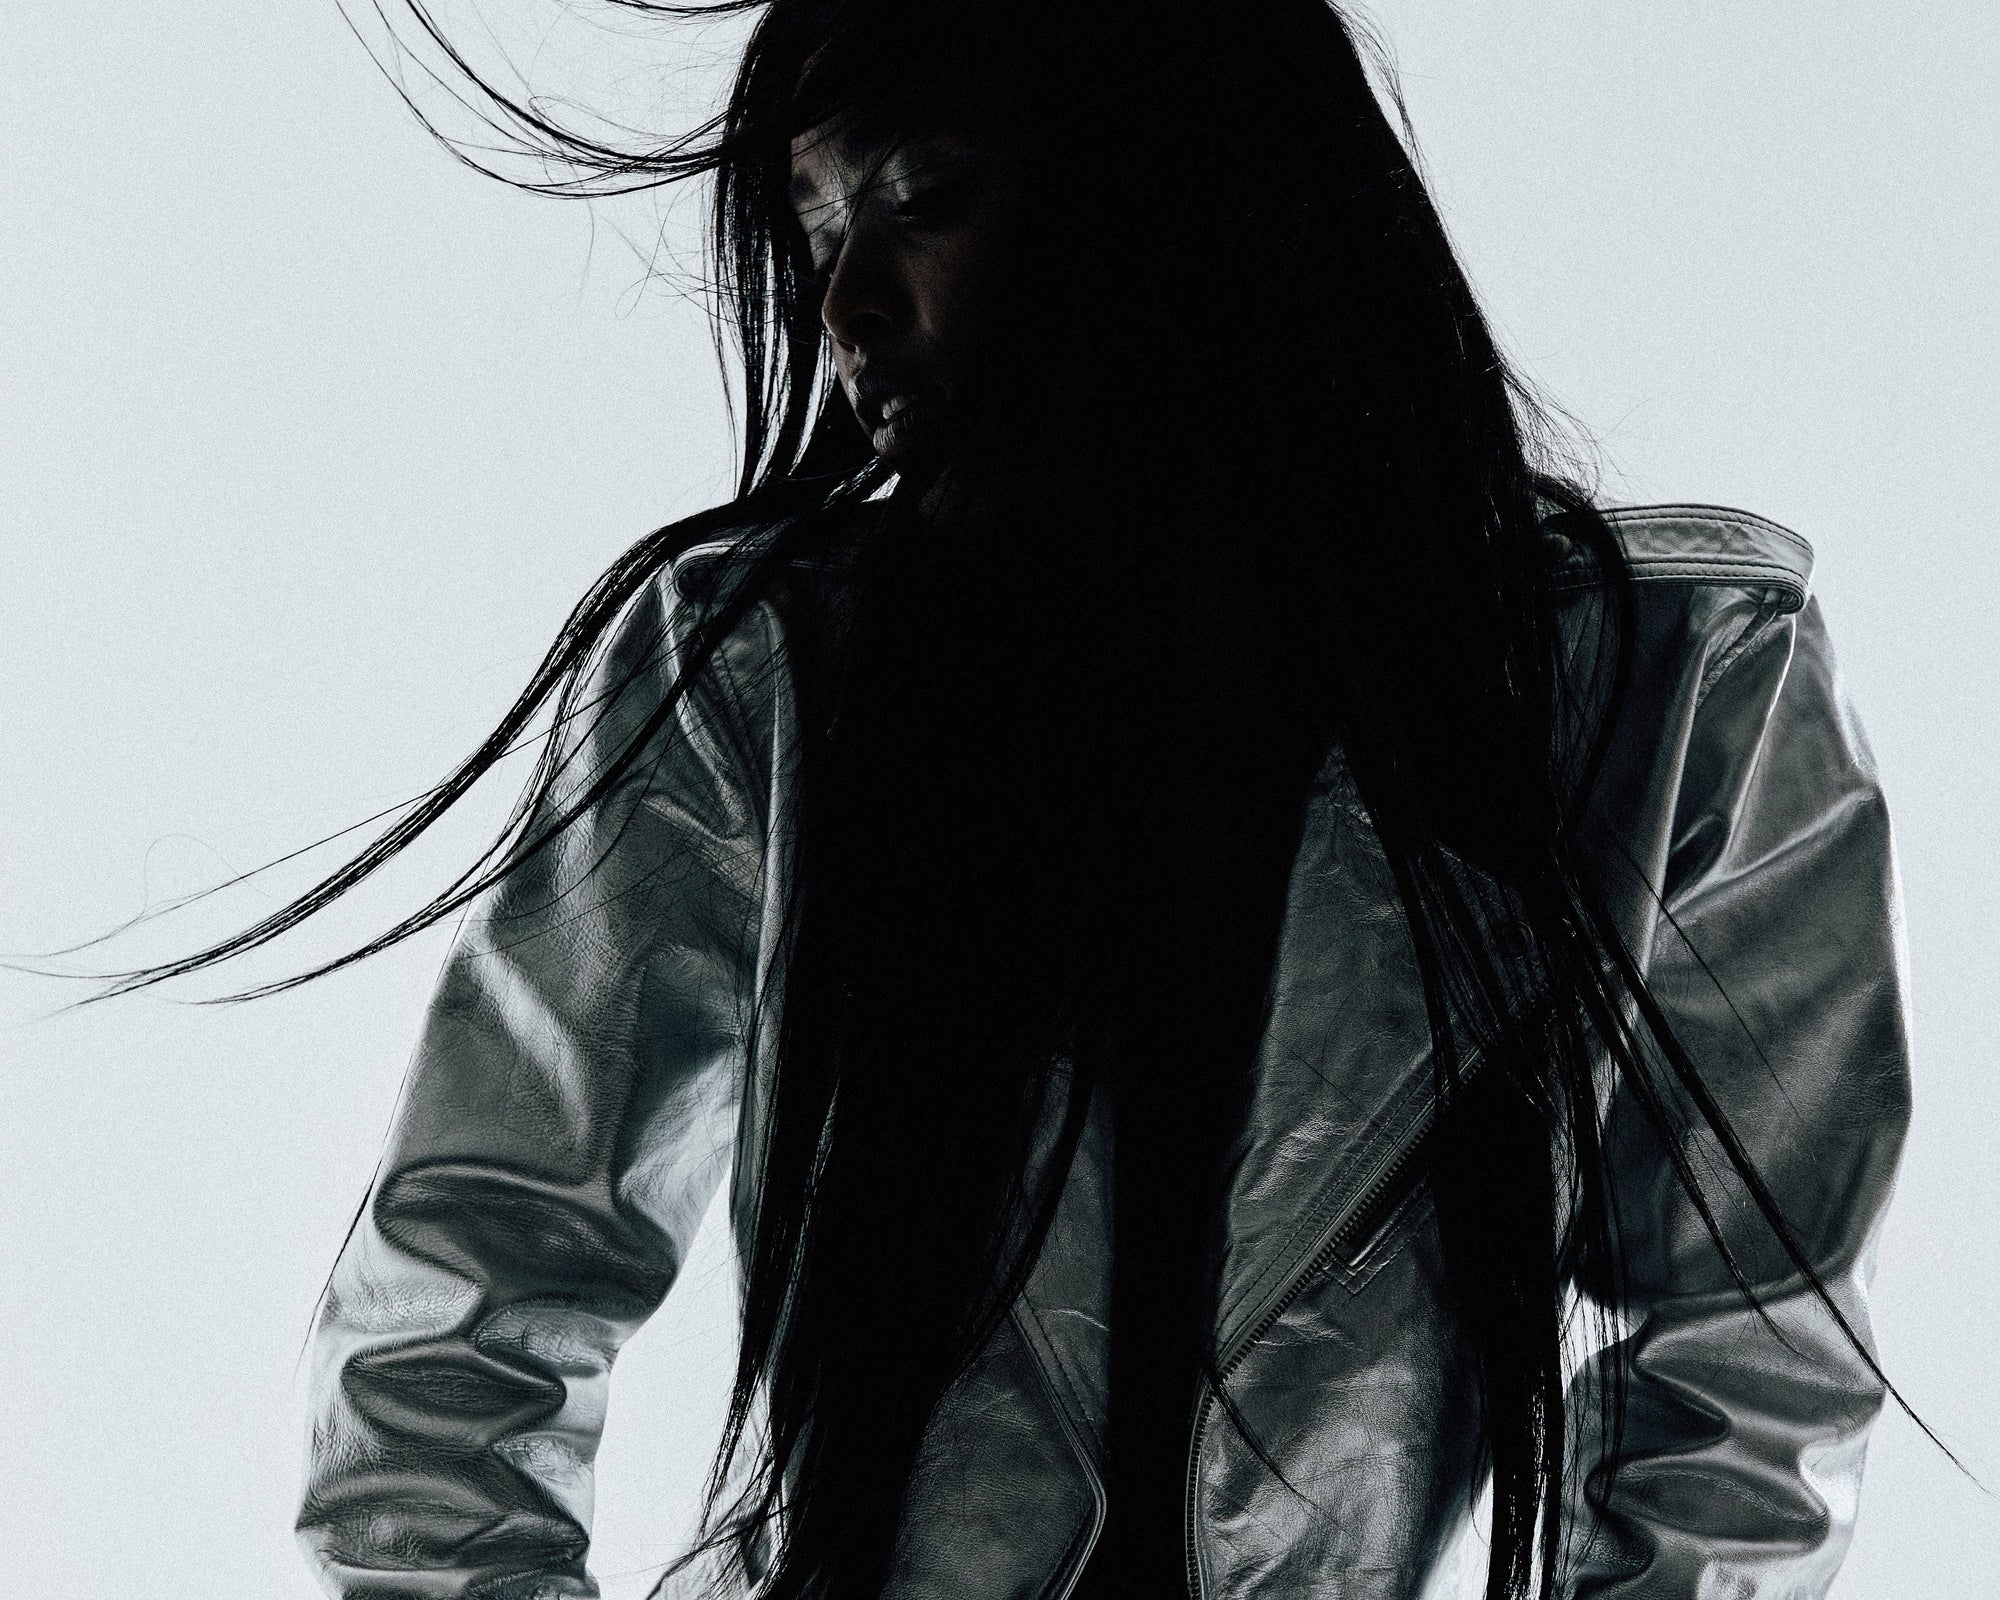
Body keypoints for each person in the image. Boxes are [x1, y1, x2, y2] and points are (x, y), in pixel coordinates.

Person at [125, 2, 1910, 1597]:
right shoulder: (768, 676)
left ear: (1185, 193)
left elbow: (1744, 1374)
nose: (845, 307)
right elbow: (455, 1319)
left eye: (926, 196)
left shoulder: (1677, 685)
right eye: (819, 230)